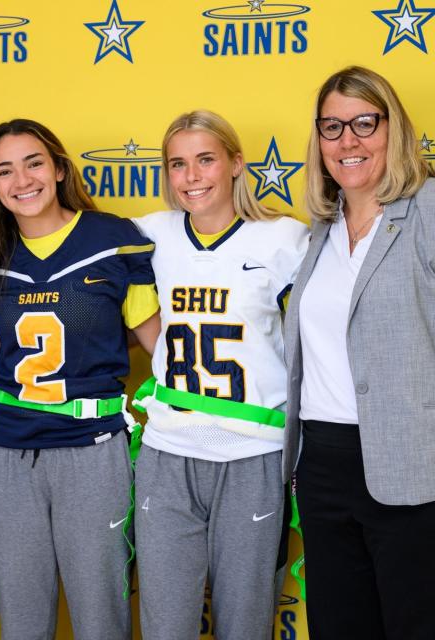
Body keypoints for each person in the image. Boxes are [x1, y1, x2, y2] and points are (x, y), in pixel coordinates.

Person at [283, 65, 435, 640]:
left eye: (365, 122)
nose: (349, 141)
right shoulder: (320, 229)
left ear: (396, 129)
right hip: (324, 469)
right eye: (332, 127)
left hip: (430, 475)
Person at [0, 118, 159, 640]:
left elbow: (159, 345)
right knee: (22, 622)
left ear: (57, 168)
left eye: (33, 163)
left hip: (92, 450)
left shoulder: (113, 238)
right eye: (4, 170)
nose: (21, 180)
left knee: (101, 619)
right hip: (8, 454)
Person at [132, 110, 308, 640]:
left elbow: (318, 339)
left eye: (206, 159)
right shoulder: (150, 234)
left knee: (245, 623)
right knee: (165, 625)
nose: (192, 176)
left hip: (252, 454)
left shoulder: (283, 238)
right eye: (178, 164)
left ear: (235, 163)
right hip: (168, 450)